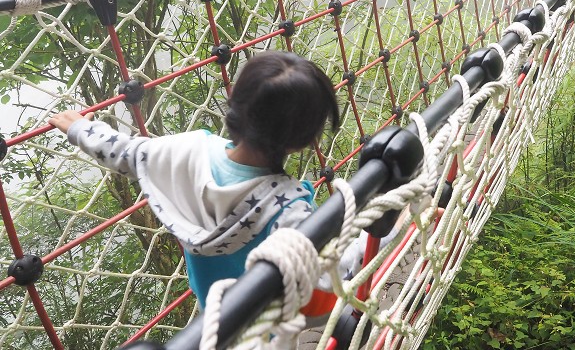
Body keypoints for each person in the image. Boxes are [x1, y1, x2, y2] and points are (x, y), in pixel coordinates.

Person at [49, 50, 362, 309]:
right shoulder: (287, 207)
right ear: (303, 140)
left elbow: (125, 152)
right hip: (263, 321)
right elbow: (327, 270)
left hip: (212, 310)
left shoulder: (190, 150)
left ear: (235, 105)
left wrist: (79, 129)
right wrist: (375, 229)